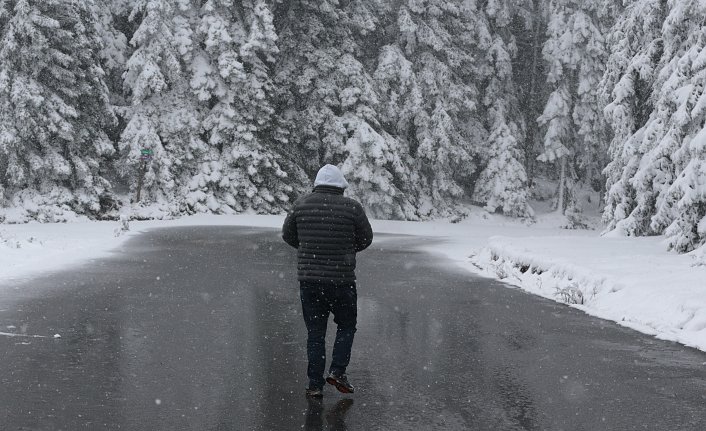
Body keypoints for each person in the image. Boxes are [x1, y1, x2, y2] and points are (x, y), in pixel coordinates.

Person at [282, 164, 373, 398]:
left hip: (310, 282)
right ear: (340, 186)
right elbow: (366, 238)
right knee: (346, 326)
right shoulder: (352, 208)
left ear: (317, 184)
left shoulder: (301, 205)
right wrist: (345, 250)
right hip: (342, 281)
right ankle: (338, 371)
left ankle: (314, 384)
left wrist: (308, 250)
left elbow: (288, 235)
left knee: (315, 333)